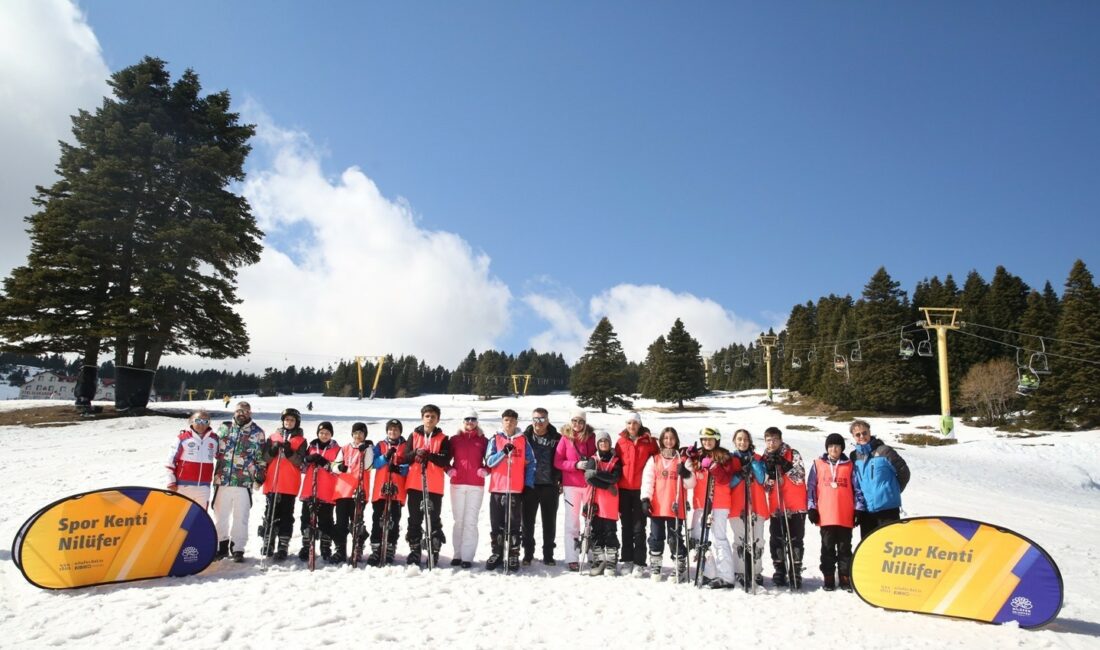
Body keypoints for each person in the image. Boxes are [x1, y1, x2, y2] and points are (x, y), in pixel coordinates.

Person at [807, 433, 865, 592]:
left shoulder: (849, 465)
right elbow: (811, 488)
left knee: (845, 548)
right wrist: (812, 507)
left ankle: (845, 577)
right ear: (827, 448)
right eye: (831, 446)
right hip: (826, 515)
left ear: (842, 448)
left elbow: (857, 489)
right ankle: (829, 577)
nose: (834, 449)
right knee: (827, 548)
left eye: (837, 446)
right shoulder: (818, 464)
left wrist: (858, 509)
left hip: (845, 515)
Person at [212, 401, 266, 562]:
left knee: (240, 515)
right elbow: (211, 447)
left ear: (250, 413)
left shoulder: (257, 432)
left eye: (245, 411)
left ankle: (238, 548)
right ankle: (221, 545)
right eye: (239, 410)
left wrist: (259, 476)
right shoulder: (224, 427)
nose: (242, 413)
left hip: (243, 480)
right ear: (234, 412)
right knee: (220, 514)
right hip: (222, 478)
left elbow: (261, 457)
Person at [640, 426, 695, 582]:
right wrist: (645, 499)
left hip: (675, 506)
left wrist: (686, 473)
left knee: (674, 538)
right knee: (656, 537)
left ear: (676, 440)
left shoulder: (683, 460)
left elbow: (691, 484)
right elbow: (648, 480)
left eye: (671, 438)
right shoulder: (655, 459)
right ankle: (656, 565)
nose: (668, 441)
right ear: (661, 441)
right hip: (657, 505)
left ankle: (679, 566)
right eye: (665, 438)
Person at [484, 409, 536, 571]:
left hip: (515, 489)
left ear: (517, 422)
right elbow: (489, 462)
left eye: (512, 420)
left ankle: (513, 554)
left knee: (514, 524)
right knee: (496, 523)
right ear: (502, 421)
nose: (509, 423)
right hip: (498, 488)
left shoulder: (523, 440)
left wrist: (528, 484)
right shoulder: (495, 439)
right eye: (506, 420)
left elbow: (532, 463)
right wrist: (503, 452)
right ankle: (497, 552)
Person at [402, 404, 452, 567]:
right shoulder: (414, 435)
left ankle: (433, 549)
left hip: (434, 485)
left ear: (438, 419)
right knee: (415, 519)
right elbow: (404, 457)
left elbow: (445, 459)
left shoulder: (443, 438)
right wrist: (415, 453)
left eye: (433, 416)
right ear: (422, 417)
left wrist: (429, 456)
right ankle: (415, 550)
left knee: (433, 519)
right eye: (427, 416)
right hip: (415, 483)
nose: (430, 419)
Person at [690, 427, 738, 588]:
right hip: (701, 502)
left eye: (710, 439)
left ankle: (726, 576)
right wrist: (688, 456)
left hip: (719, 503)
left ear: (716, 440)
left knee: (718, 538)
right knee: (703, 539)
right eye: (703, 439)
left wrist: (714, 467)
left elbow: (726, 479)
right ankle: (709, 573)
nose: (706, 442)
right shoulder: (698, 455)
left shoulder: (724, 456)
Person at [762, 426, 808, 588]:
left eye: (775, 439)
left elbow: (800, 477)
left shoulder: (792, 454)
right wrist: (770, 477)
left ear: (780, 440)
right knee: (777, 539)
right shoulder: (764, 458)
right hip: (777, 506)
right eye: (769, 440)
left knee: (795, 539)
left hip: (795, 504)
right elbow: (765, 486)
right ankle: (780, 569)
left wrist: (784, 465)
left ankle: (795, 570)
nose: (772, 443)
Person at [848, 419, 910, 539]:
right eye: (858, 434)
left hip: (888, 509)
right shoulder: (854, 456)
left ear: (869, 432)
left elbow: (904, 472)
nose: (862, 436)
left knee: (891, 545)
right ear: (853, 436)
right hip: (866, 511)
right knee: (870, 547)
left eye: (864, 433)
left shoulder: (885, 451)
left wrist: (893, 491)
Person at [259, 408, 307, 561]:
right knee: (270, 514)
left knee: (286, 515)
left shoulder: (301, 440)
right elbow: (265, 458)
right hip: (272, 482)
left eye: (292, 420)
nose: (288, 422)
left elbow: (300, 462)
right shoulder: (273, 437)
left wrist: (290, 453)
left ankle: (283, 545)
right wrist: (272, 451)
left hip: (289, 483)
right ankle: (269, 542)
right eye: (286, 420)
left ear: (296, 422)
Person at [615, 412, 659, 577]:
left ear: (639, 424)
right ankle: (627, 559)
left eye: (635, 423)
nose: (632, 426)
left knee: (639, 527)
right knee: (626, 526)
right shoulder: (620, 442)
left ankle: (639, 562)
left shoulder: (650, 442)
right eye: (629, 423)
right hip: (624, 490)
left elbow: (657, 463)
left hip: (642, 491)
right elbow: (616, 464)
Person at [554, 408, 597, 572]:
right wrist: (574, 465)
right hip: (571, 484)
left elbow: (598, 454)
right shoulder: (565, 438)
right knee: (572, 522)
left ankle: (593, 554)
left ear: (585, 423)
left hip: (588, 485)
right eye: (574, 421)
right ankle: (572, 557)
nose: (577, 424)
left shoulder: (592, 437)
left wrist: (591, 464)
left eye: (580, 421)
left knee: (590, 520)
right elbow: (557, 461)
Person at [448, 408, 489, 568]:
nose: (470, 422)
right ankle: (457, 554)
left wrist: (487, 470)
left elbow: (492, 459)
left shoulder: (483, 440)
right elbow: (445, 458)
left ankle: (467, 556)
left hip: (476, 485)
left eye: (473, 419)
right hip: (457, 484)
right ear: (463, 421)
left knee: (471, 521)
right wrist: (448, 469)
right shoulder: (455, 439)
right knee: (459, 521)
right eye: (467, 419)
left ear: (477, 422)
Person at [522, 407, 562, 565]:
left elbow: (562, 459)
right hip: (529, 485)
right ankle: (528, 554)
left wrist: (561, 480)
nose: (539, 422)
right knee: (527, 522)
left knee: (549, 522)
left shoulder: (557, 438)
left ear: (548, 420)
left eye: (542, 419)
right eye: (536, 419)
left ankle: (548, 555)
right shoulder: (524, 437)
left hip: (549, 485)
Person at [729, 429, 769, 588]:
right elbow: (727, 483)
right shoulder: (730, 460)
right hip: (737, 505)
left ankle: (756, 571)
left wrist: (752, 462)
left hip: (756, 504)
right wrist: (739, 475)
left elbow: (762, 479)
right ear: (734, 441)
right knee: (740, 540)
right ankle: (739, 571)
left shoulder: (758, 458)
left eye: (745, 439)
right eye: (739, 439)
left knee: (757, 540)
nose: (742, 442)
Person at [368, 419, 409, 566]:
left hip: (397, 488)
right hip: (381, 487)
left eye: (396, 430)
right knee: (377, 519)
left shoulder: (405, 445)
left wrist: (400, 468)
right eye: (390, 429)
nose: (393, 432)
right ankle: (376, 549)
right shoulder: (380, 445)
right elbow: (375, 464)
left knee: (394, 520)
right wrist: (385, 457)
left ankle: (390, 549)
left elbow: (409, 464)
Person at [298, 421, 341, 562]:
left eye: (327, 433)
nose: (324, 435)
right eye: (322, 433)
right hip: (309, 488)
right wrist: (307, 459)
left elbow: (338, 470)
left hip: (327, 490)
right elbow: (302, 467)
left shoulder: (337, 449)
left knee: (326, 520)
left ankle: (325, 546)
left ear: (331, 435)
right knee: (306, 519)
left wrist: (325, 463)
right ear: (318, 433)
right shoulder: (311, 446)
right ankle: (306, 545)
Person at [331, 422, 374, 564]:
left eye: (361, 433)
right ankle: (340, 550)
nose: (358, 435)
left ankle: (358, 548)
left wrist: (367, 449)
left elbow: (368, 466)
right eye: (356, 433)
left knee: (357, 522)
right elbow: (334, 466)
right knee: (341, 523)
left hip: (359, 490)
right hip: (343, 491)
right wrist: (340, 467)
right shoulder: (344, 448)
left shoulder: (367, 448)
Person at [584, 430, 622, 577]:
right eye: (600, 441)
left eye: (606, 441)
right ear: (597, 444)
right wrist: (606, 485)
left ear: (610, 443)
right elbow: (589, 479)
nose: (603, 443)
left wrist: (597, 474)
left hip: (610, 501)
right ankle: (599, 559)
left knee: (610, 531)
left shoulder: (615, 460)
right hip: (595, 499)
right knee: (596, 530)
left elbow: (614, 477)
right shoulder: (593, 459)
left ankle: (612, 560)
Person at [166, 410, 218, 507]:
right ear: (191, 421)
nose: (201, 424)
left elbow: (221, 456)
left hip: (203, 487)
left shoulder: (214, 439)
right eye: (198, 421)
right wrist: (171, 481)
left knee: (200, 516)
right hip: (183, 486)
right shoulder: (183, 438)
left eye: (205, 421)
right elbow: (170, 462)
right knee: (180, 516)